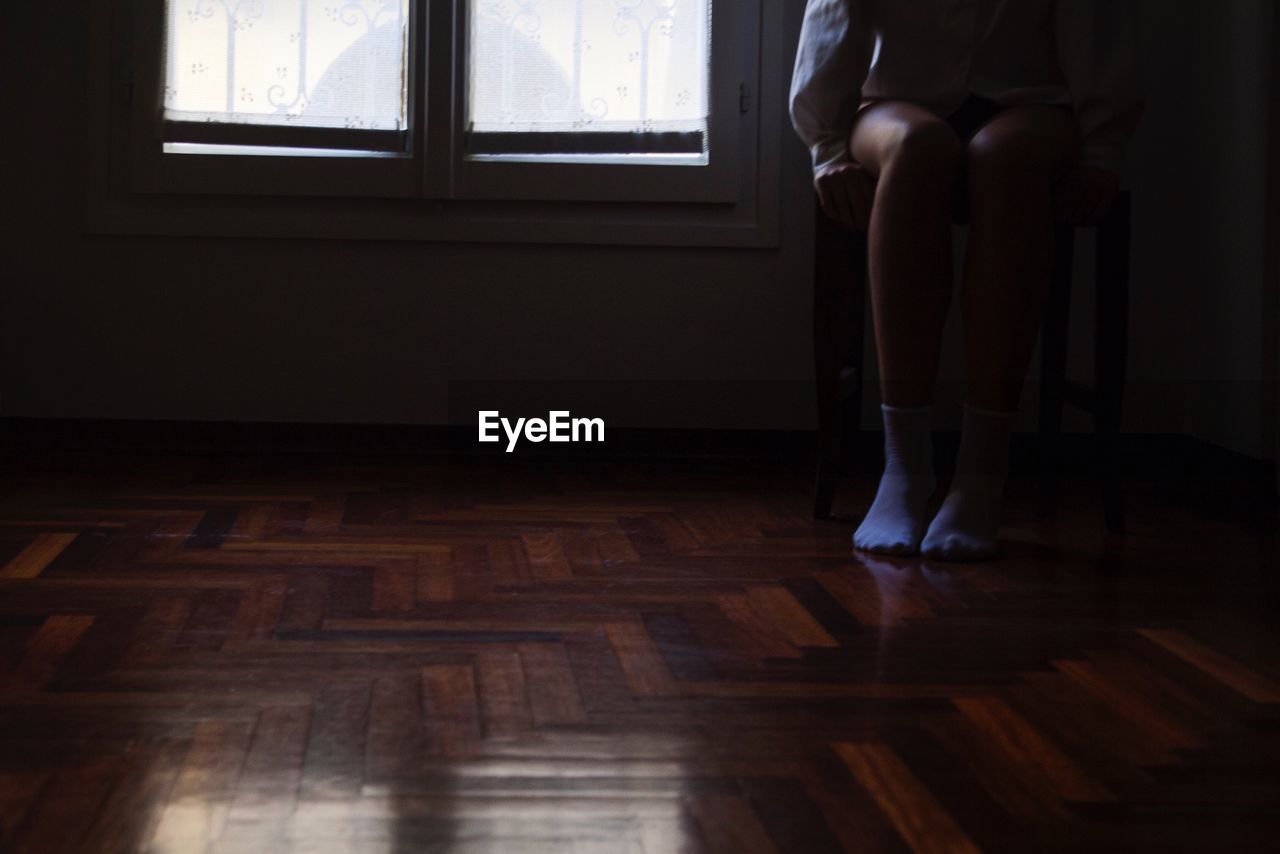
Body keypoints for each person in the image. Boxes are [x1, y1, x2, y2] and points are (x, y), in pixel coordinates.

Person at [791, 0, 1143, 561]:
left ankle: (982, 470)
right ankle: (904, 467)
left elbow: (1095, 29)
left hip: (1031, 102)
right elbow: (830, 28)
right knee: (916, 147)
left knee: (1004, 157)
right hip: (895, 103)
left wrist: (1102, 148)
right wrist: (826, 148)